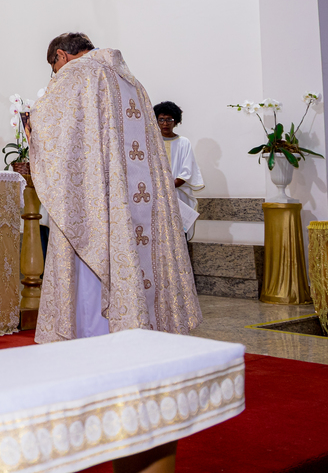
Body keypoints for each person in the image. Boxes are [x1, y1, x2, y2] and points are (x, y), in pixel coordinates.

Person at [28, 32, 200, 341]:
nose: (55, 73)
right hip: (134, 197)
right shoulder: (131, 81)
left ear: (62, 57)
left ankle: (91, 333)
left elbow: (51, 126)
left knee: (91, 255)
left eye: (53, 66)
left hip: (97, 197)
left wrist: (30, 124)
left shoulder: (78, 72)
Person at [154, 101, 203, 240]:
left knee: (179, 234)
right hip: (155, 195)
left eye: (169, 119)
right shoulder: (150, 142)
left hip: (178, 195)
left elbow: (187, 171)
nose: (165, 123)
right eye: (161, 119)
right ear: (155, 121)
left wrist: (168, 187)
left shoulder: (183, 142)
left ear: (176, 121)